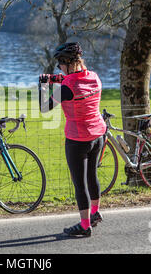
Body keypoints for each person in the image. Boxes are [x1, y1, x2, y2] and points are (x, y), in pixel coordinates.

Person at [39, 42, 106, 237]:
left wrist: (44, 86)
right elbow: (74, 77)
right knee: (92, 176)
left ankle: (85, 226)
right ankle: (94, 213)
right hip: (97, 135)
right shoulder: (94, 77)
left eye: (60, 64)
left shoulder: (67, 87)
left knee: (79, 184)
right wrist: (53, 79)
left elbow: (44, 107)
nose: (58, 68)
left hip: (78, 139)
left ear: (67, 62)